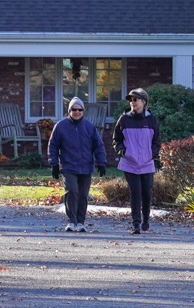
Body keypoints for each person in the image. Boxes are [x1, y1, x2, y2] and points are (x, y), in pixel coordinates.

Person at [48, 96, 106, 232]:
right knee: (72, 191)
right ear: (69, 111)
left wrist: (101, 162)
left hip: (86, 166)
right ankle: (72, 221)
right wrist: (54, 164)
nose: (77, 112)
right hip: (68, 166)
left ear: (83, 111)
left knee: (83, 195)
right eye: (74, 109)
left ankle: (80, 221)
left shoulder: (89, 126)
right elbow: (53, 146)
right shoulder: (61, 126)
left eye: (80, 110)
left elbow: (98, 145)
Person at [111, 87, 162, 234]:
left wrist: (152, 153)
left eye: (136, 100)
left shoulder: (151, 120)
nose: (133, 102)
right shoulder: (124, 119)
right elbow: (117, 139)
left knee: (147, 192)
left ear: (144, 102)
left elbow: (157, 140)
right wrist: (121, 150)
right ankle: (135, 224)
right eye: (131, 100)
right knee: (136, 192)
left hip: (147, 162)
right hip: (130, 162)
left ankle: (146, 220)